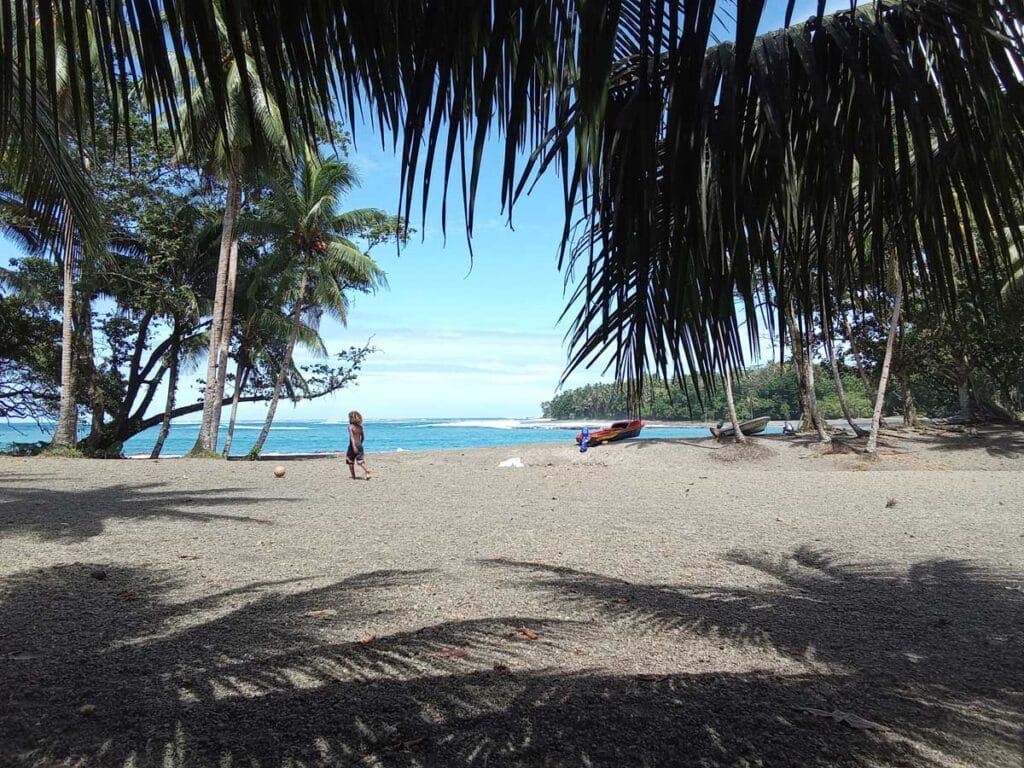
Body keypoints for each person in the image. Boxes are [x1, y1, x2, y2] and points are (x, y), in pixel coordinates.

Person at [345, 410, 371, 480]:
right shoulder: (360, 427)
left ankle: (353, 477)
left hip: (352, 446)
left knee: (350, 461)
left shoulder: (350, 427)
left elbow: (352, 437)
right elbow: (363, 437)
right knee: (360, 460)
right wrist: (360, 444)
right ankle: (366, 470)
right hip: (360, 445)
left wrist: (354, 446)